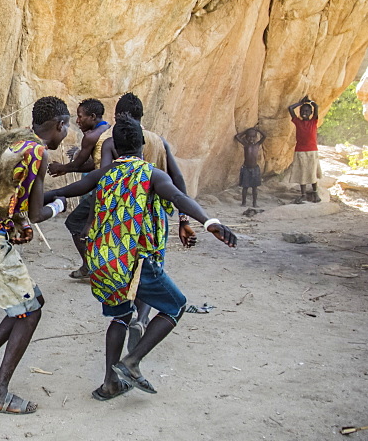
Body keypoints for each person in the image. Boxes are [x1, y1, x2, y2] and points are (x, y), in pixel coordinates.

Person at [45, 118, 237, 401]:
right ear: (142, 145)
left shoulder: (105, 173)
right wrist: (209, 222)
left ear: (115, 146)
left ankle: (110, 384)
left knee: (120, 317)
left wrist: (20, 200)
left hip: (104, 258)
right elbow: (179, 197)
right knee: (175, 306)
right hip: (136, 260)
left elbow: (61, 191)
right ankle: (132, 361)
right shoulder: (152, 175)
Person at [0, 97, 71, 415]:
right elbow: (35, 212)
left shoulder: (14, 139)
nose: (66, 135)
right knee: (29, 312)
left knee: (33, 300)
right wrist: (59, 204)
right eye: (66, 127)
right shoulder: (39, 152)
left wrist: (18, 219)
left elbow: (4, 192)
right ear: (59, 125)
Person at [96, 92, 196, 350]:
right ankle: (142, 319)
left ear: (118, 116)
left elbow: (103, 181)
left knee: (128, 272)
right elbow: (178, 182)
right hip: (155, 221)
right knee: (151, 268)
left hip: (123, 221)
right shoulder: (159, 141)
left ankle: (126, 317)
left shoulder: (111, 142)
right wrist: (185, 219)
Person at [48, 98, 111, 279]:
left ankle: (90, 267)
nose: (78, 121)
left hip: (103, 189)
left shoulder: (91, 136)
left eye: (81, 117)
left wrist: (62, 167)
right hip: (113, 187)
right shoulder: (107, 130)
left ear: (92, 116)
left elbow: (79, 163)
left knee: (75, 222)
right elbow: (93, 165)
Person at [287, 96, 321, 203]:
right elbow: (290, 109)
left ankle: (315, 192)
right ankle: (303, 194)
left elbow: (316, 106)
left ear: (311, 112)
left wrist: (309, 102)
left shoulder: (313, 121)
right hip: (300, 150)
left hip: (312, 150)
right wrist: (300, 103)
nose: (304, 112)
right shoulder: (298, 122)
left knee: (312, 171)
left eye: (307, 111)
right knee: (302, 172)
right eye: (302, 111)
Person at [234, 127, 266, 207]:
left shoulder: (257, 144)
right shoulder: (245, 144)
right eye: (249, 136)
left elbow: (264, 136)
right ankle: (243, 202)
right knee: (245, 187)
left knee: (254, 188)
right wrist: (245, 131)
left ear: (256, 137)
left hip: (255, 168)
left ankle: (254, 203)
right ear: (246, 137)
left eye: (253, 137)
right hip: (246, 168)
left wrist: (258, 130)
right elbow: (237, 137)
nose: (251, 138)